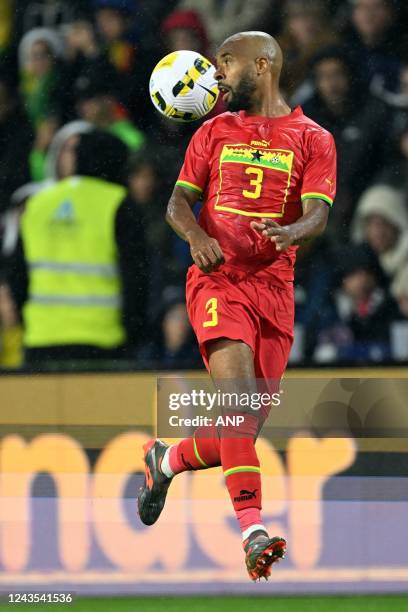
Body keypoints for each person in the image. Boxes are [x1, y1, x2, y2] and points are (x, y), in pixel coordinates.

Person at [137, 31, 337, 580]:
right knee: (237, 401)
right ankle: (252, 532)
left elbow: (319, 213)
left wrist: (292, 230)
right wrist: (196, 238)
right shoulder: (212, 132)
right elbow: (178, 201)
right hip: (218, 282)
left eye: (226, 60)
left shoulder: (312, 137)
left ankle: (169, 459)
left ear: (264, 65)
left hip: (274, 290)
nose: (216, 72)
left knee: (241, 426)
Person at [5, 130, 147, 366]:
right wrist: (134, 333)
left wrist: (28, 322)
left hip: (41, 342)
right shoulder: (119, 203)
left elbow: (17, 276)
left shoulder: (38, 203)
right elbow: (136, 279)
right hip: (102, 342)